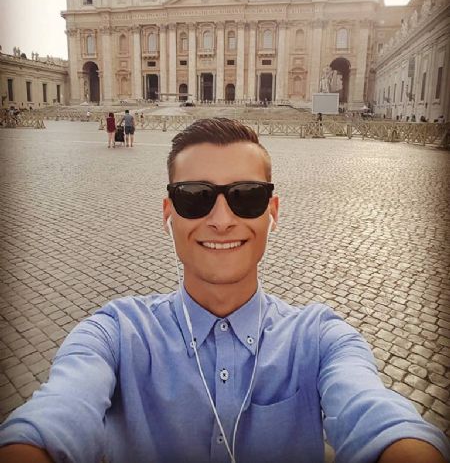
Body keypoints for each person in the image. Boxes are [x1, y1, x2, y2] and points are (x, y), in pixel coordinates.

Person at [0, 118, 449, 463]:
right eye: (194, 196)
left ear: (273, 211)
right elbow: (58, 414)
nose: (221, 220)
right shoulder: (114, 334)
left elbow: (376, 414)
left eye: (247, 196)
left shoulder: (321, 339)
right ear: (168, 213)